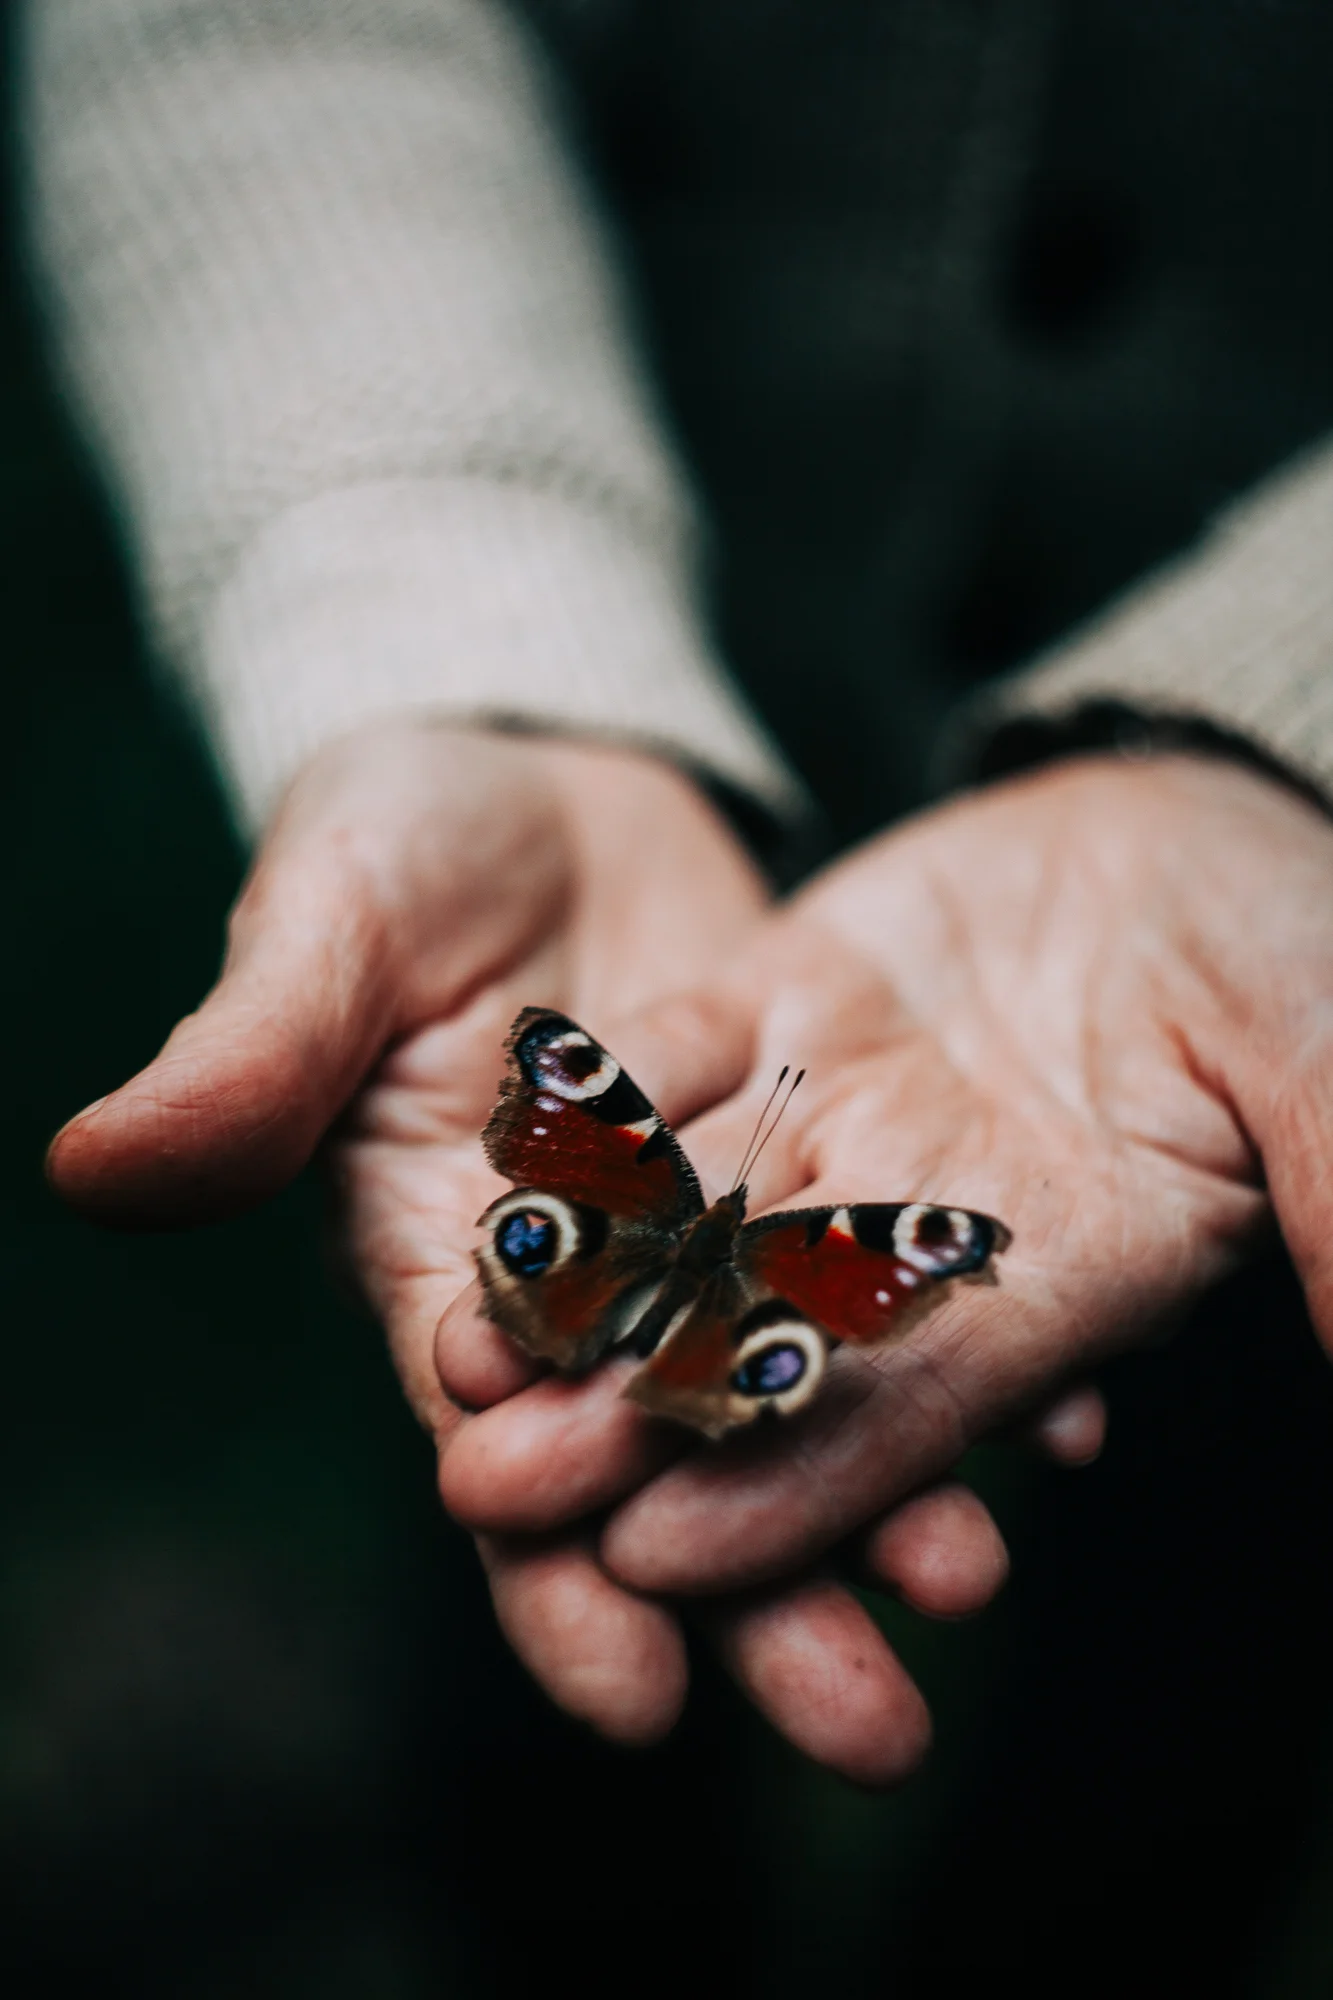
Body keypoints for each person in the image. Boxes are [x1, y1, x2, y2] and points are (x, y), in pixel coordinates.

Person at [32, 0, 1333, 1782]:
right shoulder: (811, 1251)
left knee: (1199, 1594)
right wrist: (452, 602)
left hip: (1249, 983)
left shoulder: (630, 1151)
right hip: (686, 600)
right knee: (514, 1579)